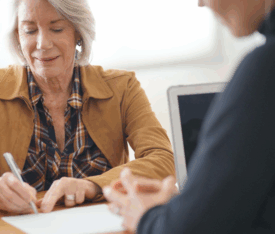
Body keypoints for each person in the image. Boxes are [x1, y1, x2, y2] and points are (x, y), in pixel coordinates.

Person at [0, 0, 175, 214]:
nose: (42, 44)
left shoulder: (122, 87)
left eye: (57, 28)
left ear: (78, 33)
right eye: (30, 30)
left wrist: (91, 185)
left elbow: (162, 159)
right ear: (18, 37)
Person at [104, 0, 275, 233]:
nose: (200, 3)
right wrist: (193, 202)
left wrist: (146, 217)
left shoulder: (265, 69)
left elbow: (187, 228)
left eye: (57, 29)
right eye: (33, 30)